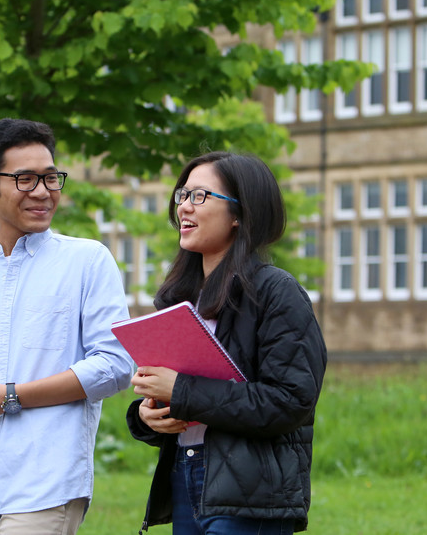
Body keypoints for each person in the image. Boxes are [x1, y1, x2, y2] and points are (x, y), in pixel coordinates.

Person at [0, 118, 135, 535]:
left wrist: (8, 397)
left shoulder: (88, 261)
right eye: (24, 179)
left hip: (47, 481)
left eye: (51, 178)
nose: (42, 192)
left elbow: (115, 365)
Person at [126, 151, 327, 534]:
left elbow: (290, 401)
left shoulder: (277, 292)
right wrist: (148, 415)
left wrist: (181, 390)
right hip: (186, 475)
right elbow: (189, 397)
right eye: (182, 195)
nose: (184, 206)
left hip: (251, 493)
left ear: (239, 214)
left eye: (200, 196)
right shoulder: (179, 302)